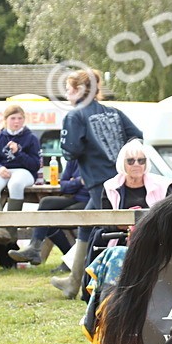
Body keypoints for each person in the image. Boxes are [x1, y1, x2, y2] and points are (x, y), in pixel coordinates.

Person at [52, 68, 144, 299]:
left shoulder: (75, 115)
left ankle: (89, 283)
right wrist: (123, 157)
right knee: (87, 223)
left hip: (97, 181)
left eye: (69, 88)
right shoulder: (113, 112)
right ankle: (73, 282)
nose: (66, 93)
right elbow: (137, 135)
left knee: (105, 229)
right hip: (119, 177)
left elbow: (71, 150)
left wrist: (85, 151)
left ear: (80, 89)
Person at [80, 139, 172, 340]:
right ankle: (104, 315)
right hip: (119, 242)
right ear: (122, 163)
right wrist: (126, 224)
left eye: (141, 160)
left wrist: (143, 227)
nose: (136, 165)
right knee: (113, 256)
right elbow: (105, 222)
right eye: (131, 161)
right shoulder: (109, 187)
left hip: (153, 244)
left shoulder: (165, 186)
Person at [9, 157, 89, 268]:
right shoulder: (73, 160)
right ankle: (34, 248)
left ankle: (70, 259)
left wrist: (73, 182)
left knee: (55, 218)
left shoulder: (94, 159)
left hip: (91, 201)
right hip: (75, 197)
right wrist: (79, 181)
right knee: (46, 203)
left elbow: (90, 184)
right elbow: (64, 186)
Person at [0, 104, 41, 246]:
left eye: (20, 118)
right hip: (5, 171)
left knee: (16, 184)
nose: (16, 122)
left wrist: (18, 153)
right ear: (5, 120)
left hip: (24, 171)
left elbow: (34, 164)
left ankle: (11, 229)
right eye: (13, 118)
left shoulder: (31, 138)